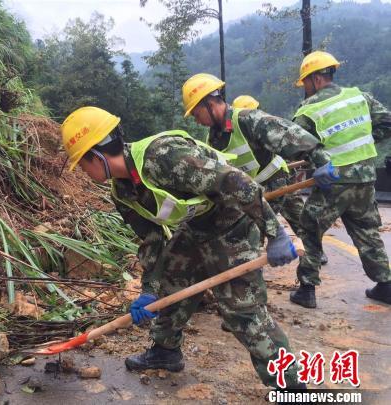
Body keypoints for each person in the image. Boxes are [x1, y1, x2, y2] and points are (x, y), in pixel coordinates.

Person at [60, 106, 305, 388]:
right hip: (196, 227)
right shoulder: (123, 191)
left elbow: (234, 181)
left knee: (242, 311)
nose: (81, 170)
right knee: (172, 280)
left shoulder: (163, 156)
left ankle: (291, 385)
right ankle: (166, 351)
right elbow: (151, 240)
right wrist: (150, 290)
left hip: (232, 224)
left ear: (97, 156)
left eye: (81, 162)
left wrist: (274, 232)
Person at [182, 75, 329, 264]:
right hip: (252, 191)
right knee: (243, 229)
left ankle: (295, 263)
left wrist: (321, 160)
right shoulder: (213, 139)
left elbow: (289, 134)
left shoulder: (246, 119)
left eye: (196, 114)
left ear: (209, 104)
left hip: (275, 182)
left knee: (249, 230)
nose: (197, 121)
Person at [289, 50, 391, 308]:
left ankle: (307, 290)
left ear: (314, 79)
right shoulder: (359, 97)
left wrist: (317, 160)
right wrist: (366, 144)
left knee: (309, 229)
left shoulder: (309, 108)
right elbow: (387, 123)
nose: (306, 90)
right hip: (366, 178)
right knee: (367, 231)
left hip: (333, 182)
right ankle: (386, 286)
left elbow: (294, 143)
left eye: (306, 84)